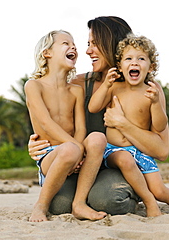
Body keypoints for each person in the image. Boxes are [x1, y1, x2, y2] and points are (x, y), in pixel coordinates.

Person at [28, 16, 169, 216]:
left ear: (114, 45)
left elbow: (162, 150)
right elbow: (49, 117)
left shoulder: (147, 89)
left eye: (95, 44)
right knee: (59, 205)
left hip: (118, 166)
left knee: (110, 200)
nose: (87, 51)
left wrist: (122, 124)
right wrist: (37, 143)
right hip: (80, 164)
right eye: (87, 44)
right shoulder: (77, 85)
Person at [89, 34, 169, 216]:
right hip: (112, 150)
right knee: (125, 159)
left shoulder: (151, 92)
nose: (134, 63)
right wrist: (105, 85)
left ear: (151, 67)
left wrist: (155, 103)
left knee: (160, 190)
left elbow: (160, 126)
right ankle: (149, 202)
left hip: (139, 151)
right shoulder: (115, 87)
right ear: (120, 65)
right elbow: (93, 107)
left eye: (141, 59)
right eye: (128, 58)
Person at [25, 30, 107, 222]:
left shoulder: (75, 91)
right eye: (65, 43)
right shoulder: (34, 86)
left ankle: (79, 204)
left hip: (74, 150)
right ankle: (40, 206)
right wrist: (76, 148)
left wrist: (79, 149)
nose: (73, 47)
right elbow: (46, 122)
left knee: (97, 138)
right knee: (69, 149)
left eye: (74, 45)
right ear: (47, 53)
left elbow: (80, 129)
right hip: (50, 155)